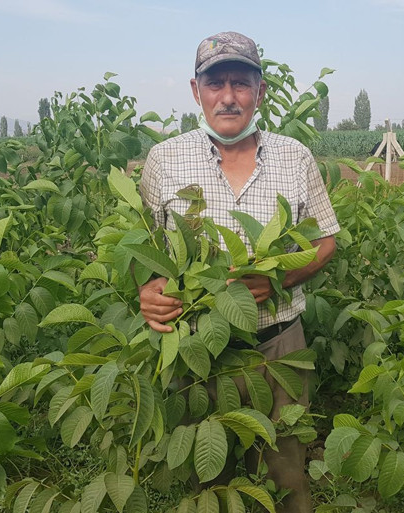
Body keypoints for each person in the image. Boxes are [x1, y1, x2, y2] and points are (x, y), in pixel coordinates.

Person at [138, 31, 339, 513]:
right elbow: (145, 251)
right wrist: (146, 288)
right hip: (197, 351)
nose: (228, 97)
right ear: (195, 91)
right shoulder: (163, 160)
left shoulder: (295, 157)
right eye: (215, 84)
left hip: (279, 348)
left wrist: (279, 279)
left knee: (288, 475)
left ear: (260, 92)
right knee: (210, 483)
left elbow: (325, 240)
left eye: (241, 83)